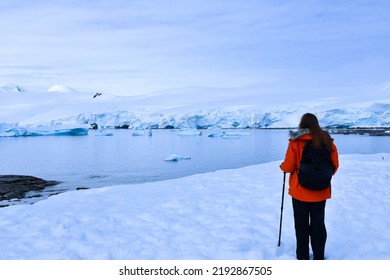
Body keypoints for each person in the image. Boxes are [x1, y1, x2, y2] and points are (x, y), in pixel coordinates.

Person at [280, 113, 339, 260]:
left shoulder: (296, 142)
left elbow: (288, 166)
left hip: (300, 191)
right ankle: (319, 256)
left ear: (302, 124)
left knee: (301, 224)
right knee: (318, 223)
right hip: (321, 191)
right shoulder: (328, 142)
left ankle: (302, 256)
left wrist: (282, 167)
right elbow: (334, 166)